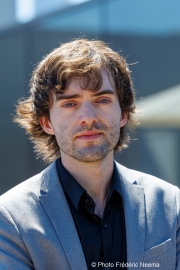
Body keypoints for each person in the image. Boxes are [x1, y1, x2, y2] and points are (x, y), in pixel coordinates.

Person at [0, 39, 179, 270]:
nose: (88, 117)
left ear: (123, 114)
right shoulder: (10, 217)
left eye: (102, 100)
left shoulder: (170, 204)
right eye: (70, 104)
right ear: (46, 123)